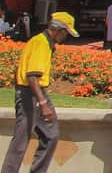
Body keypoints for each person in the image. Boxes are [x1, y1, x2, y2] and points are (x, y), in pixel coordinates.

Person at [2, 12, 79, 173]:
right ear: (58, 30)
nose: (65, 37)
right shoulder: (41, 43)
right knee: (22, 139)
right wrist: (43, 103)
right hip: (31, 94)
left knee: (50, 135)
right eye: (66, 33)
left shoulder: (43, 42)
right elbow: (32, 76)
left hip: (33, 93)